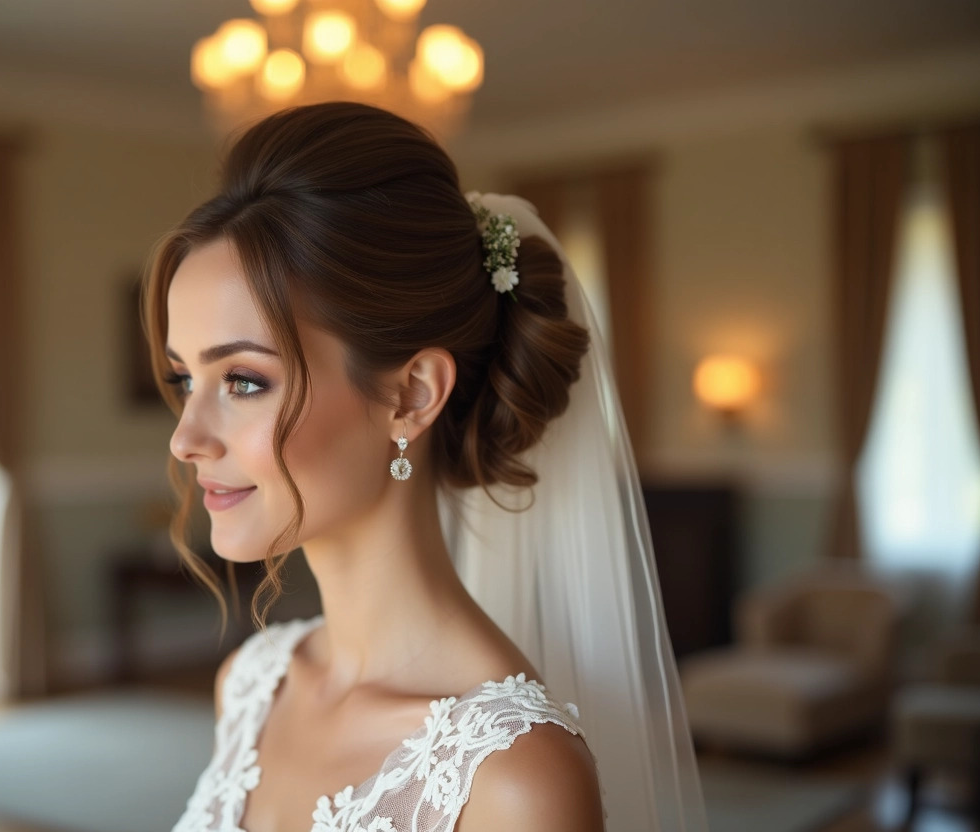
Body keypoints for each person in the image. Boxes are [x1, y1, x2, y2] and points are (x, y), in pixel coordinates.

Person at [143, 101, 707, 832]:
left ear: (411, 396)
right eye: (186, 378)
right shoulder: (252, 683)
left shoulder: (515, 779)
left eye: (244, 381)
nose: (185, 439)